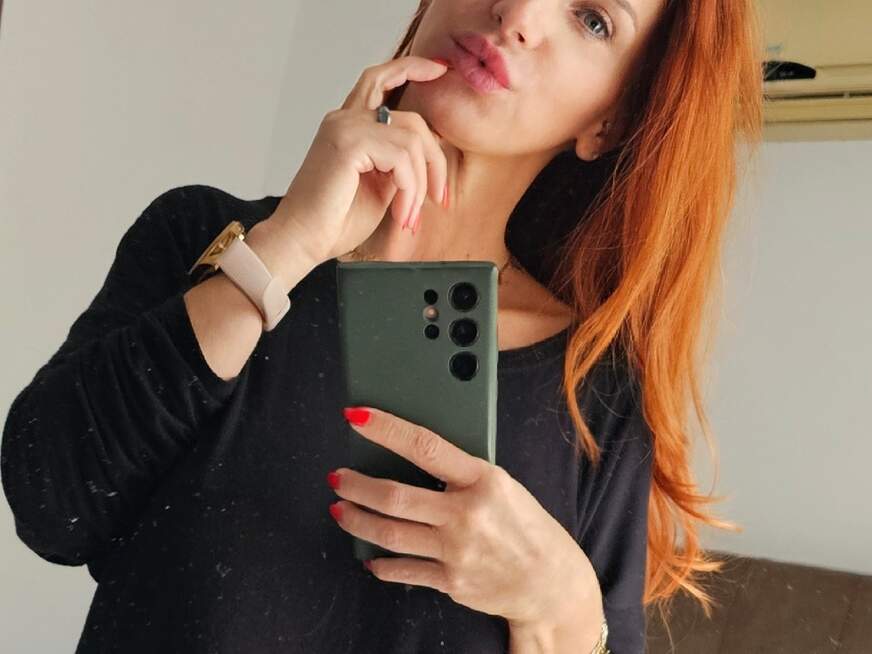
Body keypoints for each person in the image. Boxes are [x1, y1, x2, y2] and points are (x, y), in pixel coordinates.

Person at [1, 0, 763, 652]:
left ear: (610, 120)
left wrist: (560, 608)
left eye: (593, 19)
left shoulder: (596, 390)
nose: (519, 14)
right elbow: (49, 504)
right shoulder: (205, 237)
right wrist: (286, 248)